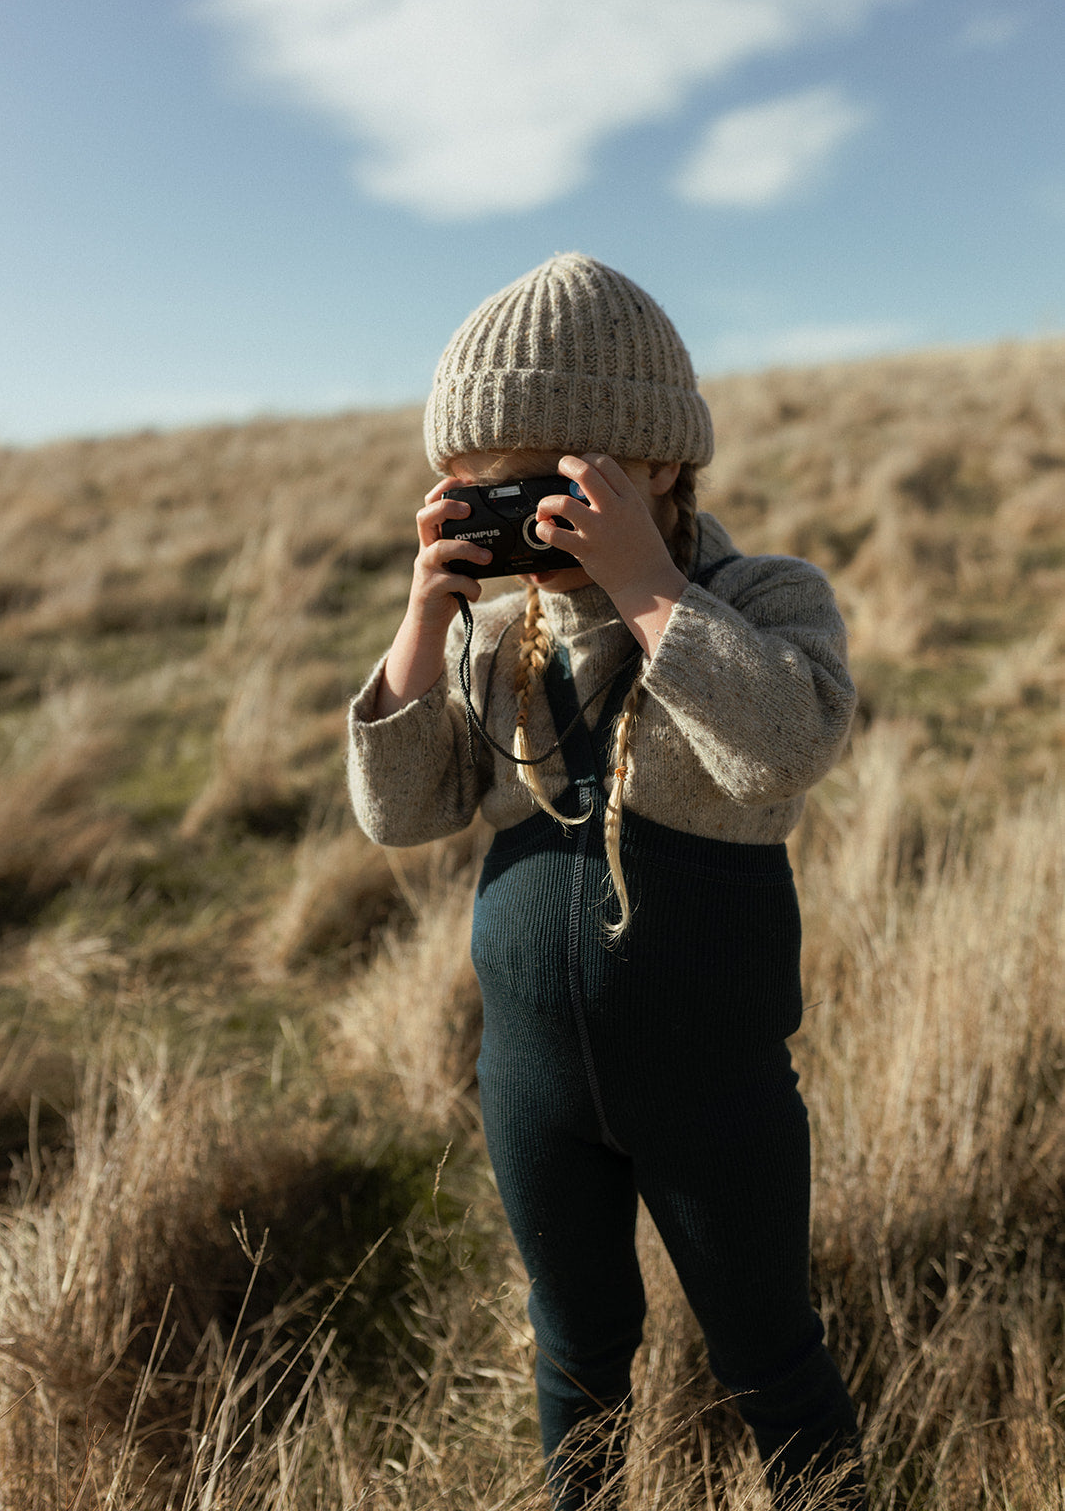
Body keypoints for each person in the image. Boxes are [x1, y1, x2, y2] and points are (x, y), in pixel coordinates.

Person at [346, 253, 865, 1509]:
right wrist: (425, 618)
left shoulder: (760, 598)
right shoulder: (489, 634)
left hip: (711, 1080)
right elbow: (402, 813)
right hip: (530, 1078)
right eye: (490, 490)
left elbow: (782, 752)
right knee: (575, 1352)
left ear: (661, 466)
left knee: (767, 1354)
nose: (531, 520)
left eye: (557, 483)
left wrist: (645, 588)